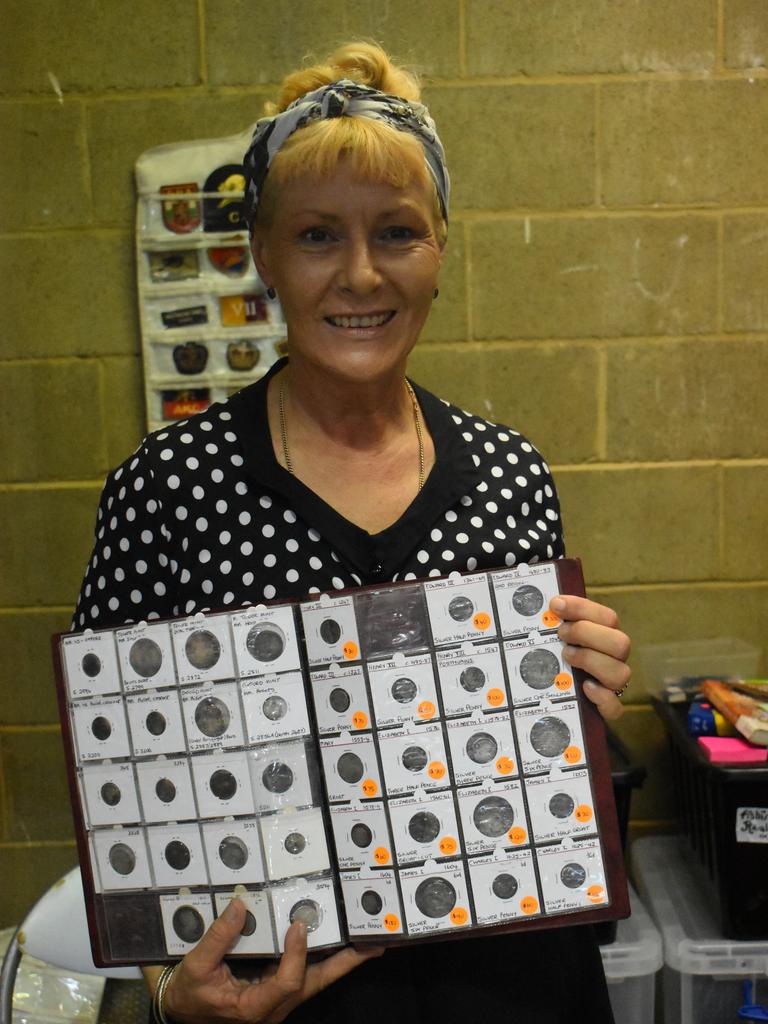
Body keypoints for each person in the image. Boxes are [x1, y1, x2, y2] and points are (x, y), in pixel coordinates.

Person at [73, 42, 630, 1024]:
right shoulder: (163, 492)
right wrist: (170, 996)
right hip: (291, 1002)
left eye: (398, 233)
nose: (362, 275)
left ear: (442, 250)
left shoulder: (511, 476)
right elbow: (122, 811)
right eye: (320, 235)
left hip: (509, 990)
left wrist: (576, 702)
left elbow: (532, 773)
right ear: (266, 257)